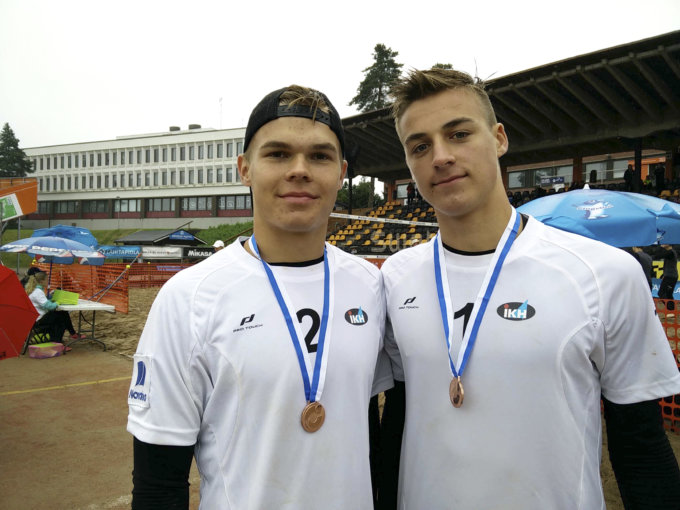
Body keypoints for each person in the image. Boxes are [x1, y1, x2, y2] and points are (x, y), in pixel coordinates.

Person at [379, 68, 680, 509]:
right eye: (419, 146)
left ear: (499, 138)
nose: (440, 156)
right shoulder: (394, 277)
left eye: (459, 134)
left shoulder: (605, 273)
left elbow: (640, 443)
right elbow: (399, 419)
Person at [127, 85, 390, 509]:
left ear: (341, 172)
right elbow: (159, 484)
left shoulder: (370, 285)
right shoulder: (188, 298)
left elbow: (366, 434)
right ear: (245, 168)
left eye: (319, 156)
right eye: (278, 154)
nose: (299, 169)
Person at [25, 269, 83, 350]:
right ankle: (60, 341)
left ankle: (67, 336)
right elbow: (49, 306)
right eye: (47, 280)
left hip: (36, 319)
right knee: (61, 317)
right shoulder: (38, 292)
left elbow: (44, 303)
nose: (48, 282)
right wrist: (58, 302)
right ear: (41, 281)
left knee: (62, 314)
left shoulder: (35, 291)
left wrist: (51, 300)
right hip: (38, 321)